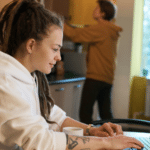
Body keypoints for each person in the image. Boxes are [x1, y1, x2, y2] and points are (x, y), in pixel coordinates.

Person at [0, 0, 144, 150]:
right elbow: (40, 141)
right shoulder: (6, 82)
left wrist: (91, 131)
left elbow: (54, 116)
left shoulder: (27, 77)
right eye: (55, 49)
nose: (59, 57)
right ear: (31, 45)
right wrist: (105, 143)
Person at [63, 0, 123, 124]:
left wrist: (59, 23)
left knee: (85, 113)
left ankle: (90, 139)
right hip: (107, 77)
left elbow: (75, 35)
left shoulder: (101, 28)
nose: (93, 10)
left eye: (97, 8)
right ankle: (112, 137)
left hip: (95, 77)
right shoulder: (110, 29)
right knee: (106, 114)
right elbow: (83, 32)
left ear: (102, 13)